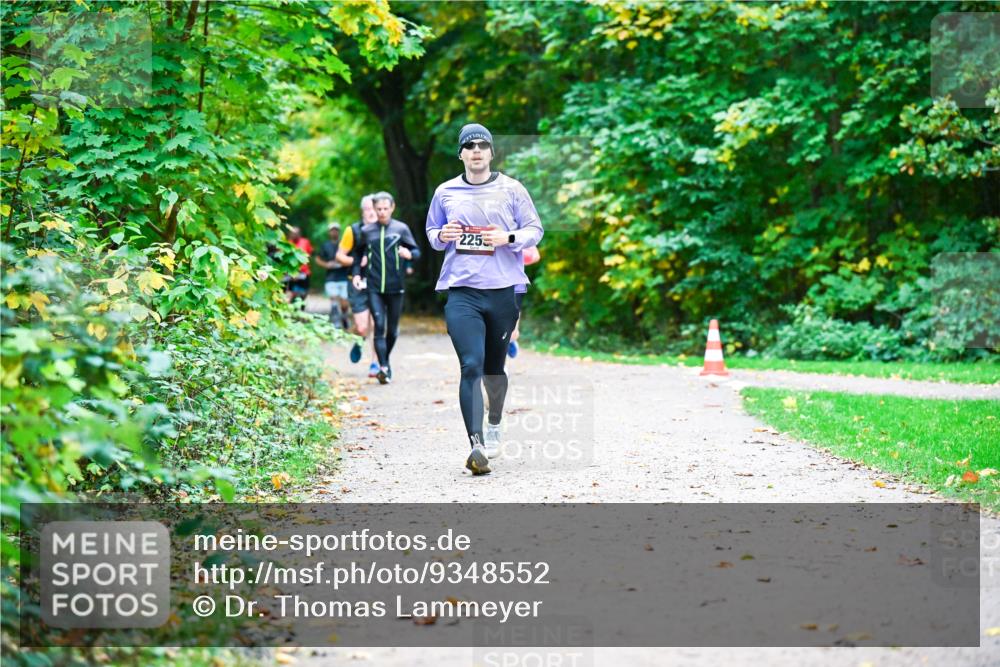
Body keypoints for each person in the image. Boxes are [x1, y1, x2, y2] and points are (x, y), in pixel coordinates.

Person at [426, 123, 543, 475]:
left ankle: (494, 421)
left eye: (482, 145)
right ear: (461, 154)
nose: (476, 150)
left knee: (494, 368)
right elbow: (432, 233)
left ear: (491, 152)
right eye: (469, 146)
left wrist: (506, 237)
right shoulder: (445, 192)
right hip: (462, 291)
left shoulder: (512, 189)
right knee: (471, 365)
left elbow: (534, 229)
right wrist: (441, 234)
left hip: (504, 290)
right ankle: (476, 444)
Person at [351, 191, 421, 385]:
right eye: (378, 209)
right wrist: (357, 274)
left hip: (396, 287)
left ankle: (385, 362)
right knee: (379, 326)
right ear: (374, 209)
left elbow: (417, 252)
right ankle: (383, 367)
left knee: (393, 330)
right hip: (373, 287)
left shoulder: (401, 229)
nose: (382, 212)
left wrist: (409, 254)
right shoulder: (367, 232)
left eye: (385, 209)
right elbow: (357, 256)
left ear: (392, 208)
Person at [337, 195, 379, 375]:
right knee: (362, 327)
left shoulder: (386, 229)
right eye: (368, 209)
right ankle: (359, 339)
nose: (372, 212)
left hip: (379, 283)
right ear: (363, 211)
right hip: (356, 282)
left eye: (374, 208)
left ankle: (376, 363)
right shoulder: (352, 231)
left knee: (378, 324)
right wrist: (357, 262)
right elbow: (340, 256)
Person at [508, 244, 541, 358]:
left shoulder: (520, 230)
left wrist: (515, 253)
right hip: (488, 286)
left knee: (511, 331)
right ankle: (498, 366)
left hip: (515, 286)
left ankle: (511, 341)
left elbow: (535, 256)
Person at [317, 223, 351, 328]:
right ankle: (336, 322)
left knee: (344, 303)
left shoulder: (344, 244)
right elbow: (318, 259)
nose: (334, 232)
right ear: (329, 232)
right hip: (331, 278)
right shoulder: (325, 245)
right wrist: (327, 265)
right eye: (332, 230)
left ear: (339, 231)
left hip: (343, 277)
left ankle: (344, 317)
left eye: (336, 230)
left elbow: (352, 258)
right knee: (334, 301)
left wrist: (343, 262)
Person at [285, 226, 312, 306]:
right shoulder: (287, 244)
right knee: (289, 293)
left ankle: (301, 308)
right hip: (290, 273)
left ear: (299, 234)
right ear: (290, 234)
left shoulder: (305, 242)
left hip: (304, 272)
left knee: (303, 294)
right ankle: (290, 310)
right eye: (293, 233)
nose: (294, 235)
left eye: (296, 233)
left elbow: (309, 255)